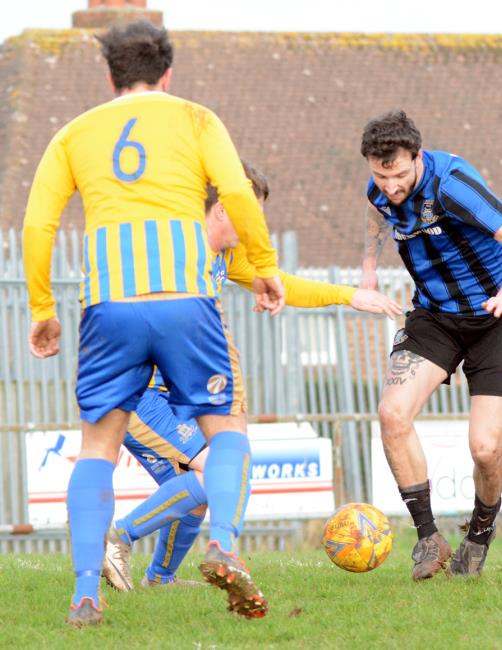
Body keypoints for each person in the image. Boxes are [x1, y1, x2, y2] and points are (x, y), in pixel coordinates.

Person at [22, 21, 285, 627]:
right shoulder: (197, 118)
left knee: (97, 449)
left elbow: (38, 227)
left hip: (109, 306)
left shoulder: (73, 134)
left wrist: (42, 310)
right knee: (228, 432)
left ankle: (86, 593)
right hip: (186, 300)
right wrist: (265, 266)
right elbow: (239, 196)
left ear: (108, 75)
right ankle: (223, 540)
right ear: (168, 73)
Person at [101, 160, 402, 593]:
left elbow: (281, 283)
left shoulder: (224, 256)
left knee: (197, 494)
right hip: (136, 395)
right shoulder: (175, 251)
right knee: (212, 475)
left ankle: (160, 579)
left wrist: (349, 295)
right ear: (222, 208)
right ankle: (118, 538)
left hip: (172, 398)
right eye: (250, 212)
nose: (257, 224)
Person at [359, 110, 502, 580]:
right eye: (381, 174)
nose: (390, 185)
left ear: (418, 157)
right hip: (435, 317)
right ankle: (428, 538)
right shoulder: (379, 188)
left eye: (399, 174)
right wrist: (368, 272)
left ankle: (479, 534)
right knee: (392, 414)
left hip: (495, 318)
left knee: (484, 450)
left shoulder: (451, 184)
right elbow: (377, 216)